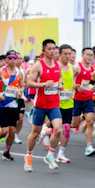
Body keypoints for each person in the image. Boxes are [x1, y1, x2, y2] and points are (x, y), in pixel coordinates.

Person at [24, 39, 63, 172]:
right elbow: (29, 83)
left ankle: (50, 155)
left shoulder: (57, 65)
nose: (52, 51)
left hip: (54, 104)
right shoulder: (38, 66)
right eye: (50, 49)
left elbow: (60, 78)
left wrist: (60, 85)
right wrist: (44, 84)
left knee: (58, 130)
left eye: (54, 49)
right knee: (35, 133)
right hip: (40, 104)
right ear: (44, 51)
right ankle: (29, 156)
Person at [0, 50, 24, 161]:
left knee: (12, 130)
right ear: (6, 59)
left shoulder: (20, 72)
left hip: (14, 105)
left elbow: (22, 86)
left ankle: (7, 151)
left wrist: (20, 92)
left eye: (14, 58)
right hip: (2, 105)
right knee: (5, 130)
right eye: (10, 58)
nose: (13, 60)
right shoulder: (0, 72)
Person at [72, 47, 95, 156]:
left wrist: (94, 88)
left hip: (88, 99)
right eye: (88, 54)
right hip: (76, 99)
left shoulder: (93, 69)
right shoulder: (77, 67)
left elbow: (93, 83)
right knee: (73, 124)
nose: (90, 57)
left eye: (92, 55)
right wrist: (76, 87)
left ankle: (89, 147)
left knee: (90, 121)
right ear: (82, 55)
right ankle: (47, 132)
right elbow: (67, 80)